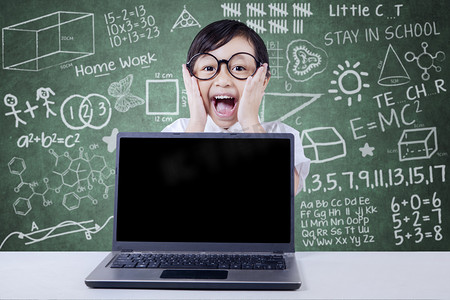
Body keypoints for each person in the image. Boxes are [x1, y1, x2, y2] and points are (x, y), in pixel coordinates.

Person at [162, 19, 310, 194]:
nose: (223, 81)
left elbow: (284, 192)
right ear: (190, 78)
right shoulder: (177, 131)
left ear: (262, 80)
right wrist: (196, 125)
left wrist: (250, 121)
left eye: (239, 68)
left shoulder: (282, 135)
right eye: (209, 68)